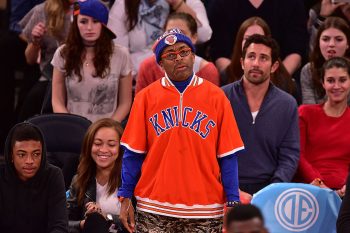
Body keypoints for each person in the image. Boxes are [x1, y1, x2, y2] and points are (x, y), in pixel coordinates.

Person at [117, 28, 244, 232]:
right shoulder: (145, 98)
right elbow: (133, 154)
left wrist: (232, 201)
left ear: (193, 55)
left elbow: (228, 156)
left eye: (184, 52)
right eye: (170, 55)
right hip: (153, 207)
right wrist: (125, 196)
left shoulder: (217, 97)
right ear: (160, 64)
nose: (179, 59)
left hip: (206, 209)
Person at [222, 34, 300, 199]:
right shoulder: (221, 98)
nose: (256, 63)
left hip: (270, 189)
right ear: (242, 62)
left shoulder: (287, 104)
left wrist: (272, 191)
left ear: (274, 66)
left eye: (263, 58)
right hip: (225, 187)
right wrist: (228, 187)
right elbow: (209, 150)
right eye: (251, 57)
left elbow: (289, 155)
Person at [51, 0, 133, 123]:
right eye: (83, 22)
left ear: (104, 25)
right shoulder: (63, 54)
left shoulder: (121, 55)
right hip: (73, 127)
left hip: (108, 129)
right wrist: (72, 125)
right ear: (76, 24)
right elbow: (57, 101)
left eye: (95, 21)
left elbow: (125, 103)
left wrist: (107, 128)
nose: (89, 27)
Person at [107, 0, 212, 77]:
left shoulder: (190, 2)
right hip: (138, 75)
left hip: (182, 72)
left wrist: (178, 3)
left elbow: (204, 35)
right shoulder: (125, 4)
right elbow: (118, 50)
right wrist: (140, 73)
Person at [294, 56, 350, 197]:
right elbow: (298, 155)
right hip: (309, 190)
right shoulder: (305, 112)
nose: (336, 86)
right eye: (330, 81)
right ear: (323, 83)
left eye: (342, 80)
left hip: (345, 192)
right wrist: (319, 184)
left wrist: (347, 186)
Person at [208, 0, 308, 76]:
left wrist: (276, 81)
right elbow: (219, 52)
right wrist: (240, 83)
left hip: (279, 78)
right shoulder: (221, 3)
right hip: (235, 78)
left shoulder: (291, 3)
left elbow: (296, 51)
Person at [0, 122, 68, 232]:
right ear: (11, 156)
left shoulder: (53, 175)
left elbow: (59, 227)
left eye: (36, 154)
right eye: (22, 155)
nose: (30, 161)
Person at [66, 118, 129, 233]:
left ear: (120, 148)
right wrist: (83, 224)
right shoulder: (79, 180)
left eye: (111, 144)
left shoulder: (131, 181)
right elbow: (63, 222)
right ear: (89, 146)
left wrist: (106, 218)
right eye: (97, 143)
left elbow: (141, 222)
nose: (104, 149)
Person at [17, 0, 74, 122]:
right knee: (35, 98)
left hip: (80, 73)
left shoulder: (90, 11)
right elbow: (30, 59)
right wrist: (35, 41)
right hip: (49, 75)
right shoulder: (42, 11)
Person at [135, 12, 219, 94]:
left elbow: (211, 105)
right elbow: (140, 105)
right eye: (169, 33)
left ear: (194, 37)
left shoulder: (208, 71)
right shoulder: (148, 66)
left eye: (181, 33)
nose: (175, 38)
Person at [0, 0, 43, 153]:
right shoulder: (40, 9)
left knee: (33, 88)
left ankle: (20, 130)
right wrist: (35, 41)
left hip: (55, 45)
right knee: (4, 48)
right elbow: (17, 27)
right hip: (27, 39)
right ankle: (8, 132)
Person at [222, 16, 295, 95]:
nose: (253, 43)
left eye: (259, 38)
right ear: (240, 41)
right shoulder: (226, 76)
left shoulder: (283, 81)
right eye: (247, 38)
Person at [301, 16, 350, 105]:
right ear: (318, 42)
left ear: (348, 44)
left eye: (338, 39)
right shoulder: (308, 70)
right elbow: (309, 111)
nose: (331, 44)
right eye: (325, 39)